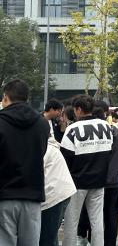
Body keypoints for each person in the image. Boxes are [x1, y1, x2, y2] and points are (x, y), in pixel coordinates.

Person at [0, 80, 49, 246]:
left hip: (4, 194)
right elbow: (41, 152)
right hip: (33, 194)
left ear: (6, 97)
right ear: (27, 98)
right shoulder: (42, 123)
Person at [60, 95, 113, 246]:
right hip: (99, 180)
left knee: (71, 222)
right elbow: (109, 151)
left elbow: (65, 158)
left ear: (78, 109)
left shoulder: (72, 129)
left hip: (76, 182)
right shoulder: (106, 126)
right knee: (97, 221)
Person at [95, 101, 118, 246]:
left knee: (94, 217)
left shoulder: (92, 135)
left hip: (94, 182)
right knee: (112, 216)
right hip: (114, 181)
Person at [40, 133, 77, 246]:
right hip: (60, 192)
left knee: (47, 236)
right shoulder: (46, 144)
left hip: (54, 195)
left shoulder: (44, 148)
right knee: (50, 234)